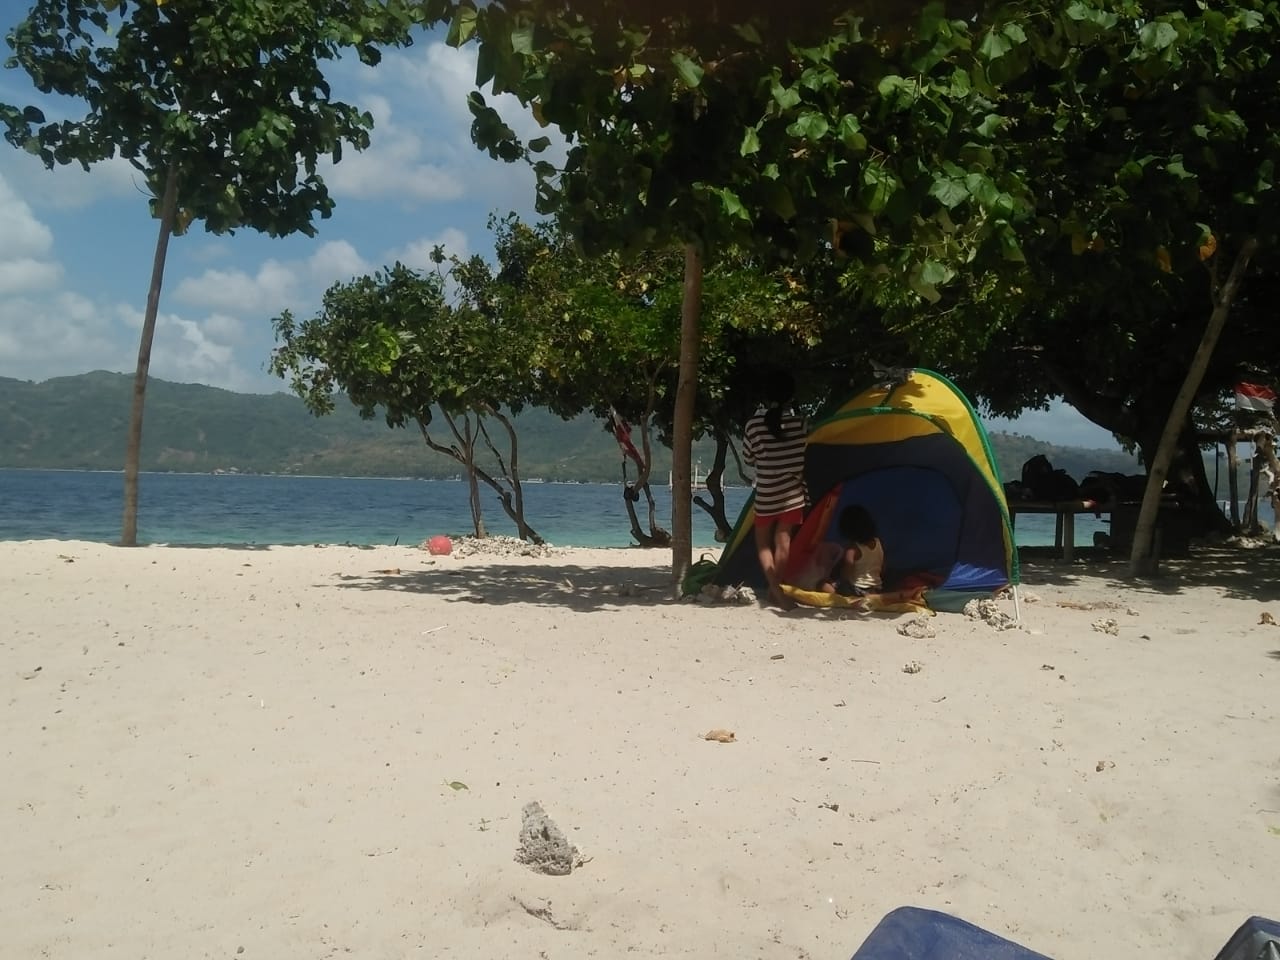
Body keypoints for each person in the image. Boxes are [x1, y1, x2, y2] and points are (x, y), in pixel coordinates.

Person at [743, 371, 807, 607]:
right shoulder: (801, 423)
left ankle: (775, 591)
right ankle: (775, 591)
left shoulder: (753, 425)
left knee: (763, 544)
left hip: (767, 492)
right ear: (791, 396)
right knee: (783, 541)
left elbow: (749, 458)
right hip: (793, 493)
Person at [820, 504, 885, 596]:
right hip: (876, 588)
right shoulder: (878, 542)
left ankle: (841, 598)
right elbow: (882, 567)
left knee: (822, 584)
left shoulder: (853, 549)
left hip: (857, 590)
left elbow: (846, 575)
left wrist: (835, 581)